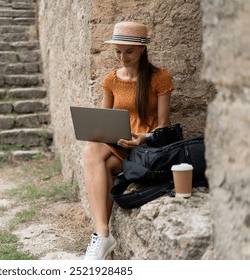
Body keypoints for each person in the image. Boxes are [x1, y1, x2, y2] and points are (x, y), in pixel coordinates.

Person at [83, 21, 174, 260]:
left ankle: (99, 237)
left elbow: (164, 125)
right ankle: (102, 233)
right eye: (118, 52)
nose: (122, 57)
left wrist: (142, 139)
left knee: (100, 165)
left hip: (147, 149)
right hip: (118, 146)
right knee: (93, 151)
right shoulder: (111, 80)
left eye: (129, 51)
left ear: (143, 49)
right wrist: (104, 133)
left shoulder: (160, 78)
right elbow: (103, 121)